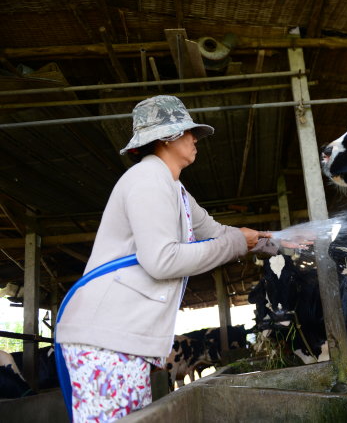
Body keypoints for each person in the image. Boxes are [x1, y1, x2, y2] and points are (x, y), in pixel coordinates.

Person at [54, 95, 271, 422]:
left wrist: (274, 242)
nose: (194, 138)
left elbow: (214, 231)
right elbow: (161, 260)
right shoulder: (147, 180)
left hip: (125, 340)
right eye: (188, 132)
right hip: (107, 339)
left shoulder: (175, 189)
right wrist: (237, 243)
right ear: (167, 137)